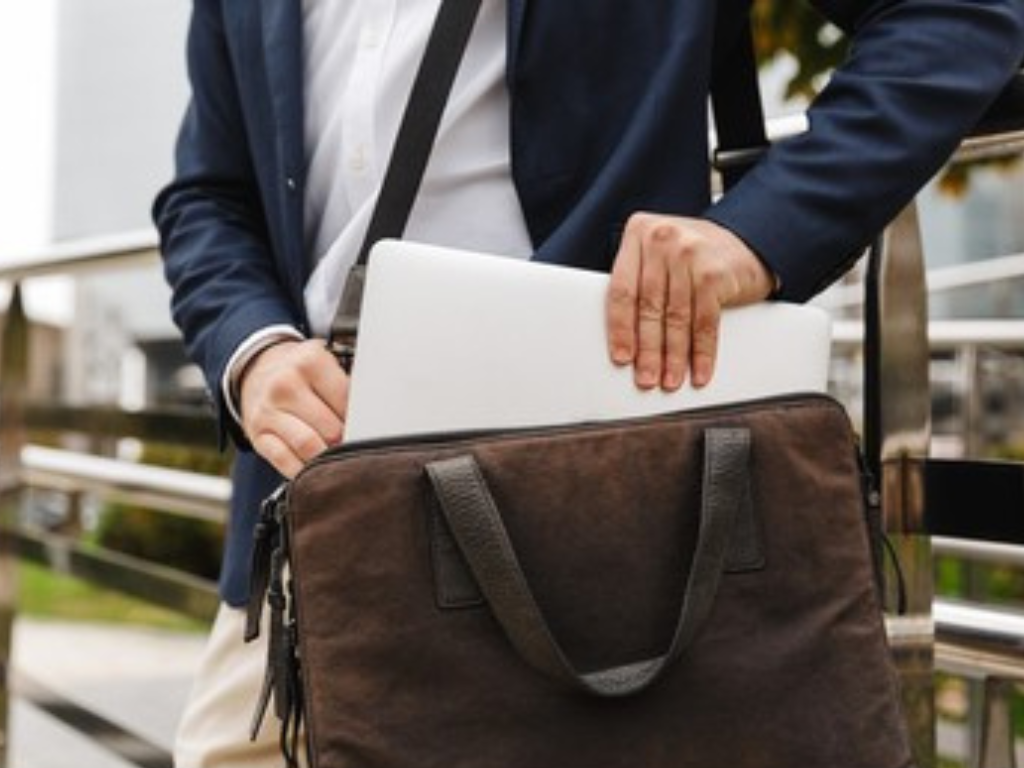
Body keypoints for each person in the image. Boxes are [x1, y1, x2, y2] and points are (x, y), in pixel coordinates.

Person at [154, 0, 1024, 765]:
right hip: (316, 508)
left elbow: (957, 12)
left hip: (609, 502)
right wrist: (253, 351)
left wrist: (761, 233)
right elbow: (208, 194)